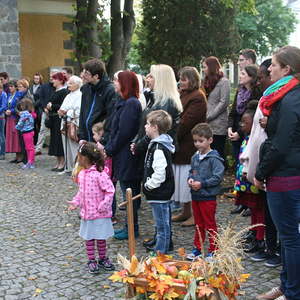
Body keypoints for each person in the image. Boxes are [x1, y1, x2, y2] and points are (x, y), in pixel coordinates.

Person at [254, 46, 300, 300]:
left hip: (285, 174)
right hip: (287, 171)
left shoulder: (292, 97)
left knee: (290, 237)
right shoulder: (288, 95)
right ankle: (287, 286)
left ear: (287, 69)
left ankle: (291, 292)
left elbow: (282, 143)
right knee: (290, 236)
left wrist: (261, 172)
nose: (268, 69)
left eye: (273, 64)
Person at [239, 59, 281, 268]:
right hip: (264, 164)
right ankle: (269, 245)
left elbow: (282, 136)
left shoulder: (283, 99)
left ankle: (275, 248)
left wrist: (271, 123)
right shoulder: (268, 97)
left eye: (263, 76)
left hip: (274, 166)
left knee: (277, 213)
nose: (260, 80)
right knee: (266, 208)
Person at [105, 70, 142, 240]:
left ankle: (131, 229)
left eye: (117, 80)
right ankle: (129, 226)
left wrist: (110, 149)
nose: (114, 83)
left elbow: (124, 132)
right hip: (121, 153)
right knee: (126, 191)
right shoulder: (124, 102)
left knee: (130, 193)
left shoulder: (131, 104)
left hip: (127, 155)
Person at [68, 142, 115, 274]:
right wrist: (75, 202)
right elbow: (81, 192)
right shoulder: (82, 174)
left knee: (100, 238)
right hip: (87, 213)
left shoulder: (100, 174)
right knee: (89, 238)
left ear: (85, 158)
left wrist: (104, 205)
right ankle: (91, 260)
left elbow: (110, 190)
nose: (78, 159)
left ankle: (102, 258)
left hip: (99, 213)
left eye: (79, 157)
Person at [171, 67, 207, 227]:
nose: (181, 81)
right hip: (181, 145)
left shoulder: (198, 97)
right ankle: (185, 211)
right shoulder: (184, 94)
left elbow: (186, 122)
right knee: (182, 180)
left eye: (184, 79)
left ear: (192, 80)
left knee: (191, 179)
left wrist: (172, 135)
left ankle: (195, 215)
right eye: (180, 78)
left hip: (190, 144)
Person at [186, 123, 224, 261]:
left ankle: (214, 250)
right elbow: (192, 172)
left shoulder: (214, 159)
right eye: (195, 141)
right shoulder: (195, 157)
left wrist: (202, 184)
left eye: (201, 141)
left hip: (208, 197)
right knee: (198, 224)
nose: (197, 144)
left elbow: (218, 177)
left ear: (210, 140)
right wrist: (190, 179)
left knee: (210, 224)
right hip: (196, 196)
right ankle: (198, 248)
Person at [228, 64, 262, 216]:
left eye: (243, 73)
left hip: (247, 134)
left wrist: (240, 134)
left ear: (251, 76)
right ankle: (242, 201)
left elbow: (252, 119)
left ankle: (250, 203)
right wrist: (230, 128)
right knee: (239, 168)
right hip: (236, 131)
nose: (240, 75)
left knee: (248, 168)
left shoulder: (256, 94)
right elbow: (233, 112)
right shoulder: (240, 91)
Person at [233, 100, 265, 253]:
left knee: (259, 210)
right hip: (245, 183)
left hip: (253, 182)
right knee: (252, 209)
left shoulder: (255, 141)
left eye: (245, 123)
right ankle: (253, 233)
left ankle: (260, 238)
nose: (241, 125)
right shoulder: (246, 139)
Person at [143, 110, 175, 254]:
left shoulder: (158, 148)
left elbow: (160, 173)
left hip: (159, 193)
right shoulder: (156, 144)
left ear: (155, 127)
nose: (145, 126)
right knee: (163, 223)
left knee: (162, 226)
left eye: (148, 124)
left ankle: (160, 254)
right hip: (159, 193)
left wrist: (149, 185)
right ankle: (164, 247)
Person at [79, 59, 116, 144]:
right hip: (86, 138)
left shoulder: (110, 90)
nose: (83, 75)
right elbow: (82, 112)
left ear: (96, 76)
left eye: (87, 73)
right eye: (84, 72)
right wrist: (81, 135)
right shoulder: (86, 88)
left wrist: (103, 139)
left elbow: (110, 116)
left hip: (99, 138)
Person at [202, 56, 230, 161]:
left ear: (211, 67)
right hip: (207, 124)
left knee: (217, 153)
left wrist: (210, 116)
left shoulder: (224, 82)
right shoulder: (206, 82)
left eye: (205, 67)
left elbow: (224, 102)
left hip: (218, 125)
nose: (203, 70)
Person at [58, 75, 82, 174]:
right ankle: (68, 167)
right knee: (66, 145)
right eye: (69, 82)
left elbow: (78, 110)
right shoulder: (68, 95)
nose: (68, 84)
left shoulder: (80, 95)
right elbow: (63, 107)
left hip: (73, 123)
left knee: (73, 147)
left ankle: (75, 168)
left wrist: (67, 112)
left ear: (77, 85)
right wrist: (61, 111)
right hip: (65, 122)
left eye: (71, 83)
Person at [46, 72, 68, 171]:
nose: (52, 80)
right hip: (53, 119)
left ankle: (62, 162)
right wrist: (48, 108)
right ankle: (58, 161)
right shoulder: (55, 91)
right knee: (54, 140)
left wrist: (52, 106)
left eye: (54, 79)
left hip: (59, 119)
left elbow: (63, 106)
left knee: (59, 140)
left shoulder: (63, 92)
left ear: (60, 80)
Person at [35, 71, 56, 155]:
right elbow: (41, 98)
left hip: (55, 112)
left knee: (55, 131)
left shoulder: (58, 87)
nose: (51, 78)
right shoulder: (44, 86)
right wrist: (44, 108)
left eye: (53, 76)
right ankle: (38, 148)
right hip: (45, 111)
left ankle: (54, 148)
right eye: (50, 76)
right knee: (42, 130)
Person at [5, 80, 23, 162]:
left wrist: (11, 111)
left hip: (15, 118)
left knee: (16, 136)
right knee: (11, 137)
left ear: (16, 87)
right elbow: (6, 105)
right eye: (9, 86)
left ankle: (20, 156)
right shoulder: (9, 95)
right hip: (9, 118)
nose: (10, 88)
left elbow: (18, 106)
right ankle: (16, 156)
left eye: (12, 86)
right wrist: (6, 110)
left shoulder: (18, 95)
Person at [15, 98, 36, 169]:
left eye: (21, 105)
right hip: (31, 131)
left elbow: (20, 124)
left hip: (26, 133)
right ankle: (31, 162)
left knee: (29, 148)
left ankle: (29, 162)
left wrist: (16, 127)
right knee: (30, 148)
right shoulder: (31, 113)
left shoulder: (24, 114)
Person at [0, 83, 7, 160]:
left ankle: (2, 153)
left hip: (1, 117)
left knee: (1, 135)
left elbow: (4, 106)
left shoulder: (3, 94)